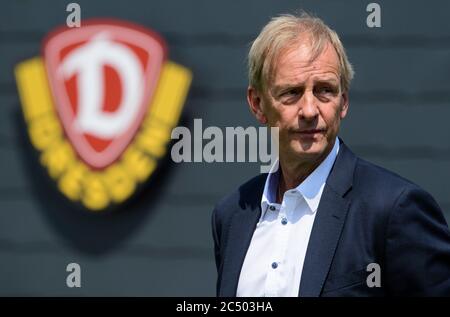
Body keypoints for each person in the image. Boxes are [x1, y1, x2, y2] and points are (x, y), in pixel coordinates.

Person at [211, 12, 450, 297]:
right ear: (257, 104)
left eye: (325, 91)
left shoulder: (394, 209)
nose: (310, 110)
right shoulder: (232, 215)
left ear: (344, 101)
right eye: (292, 92)